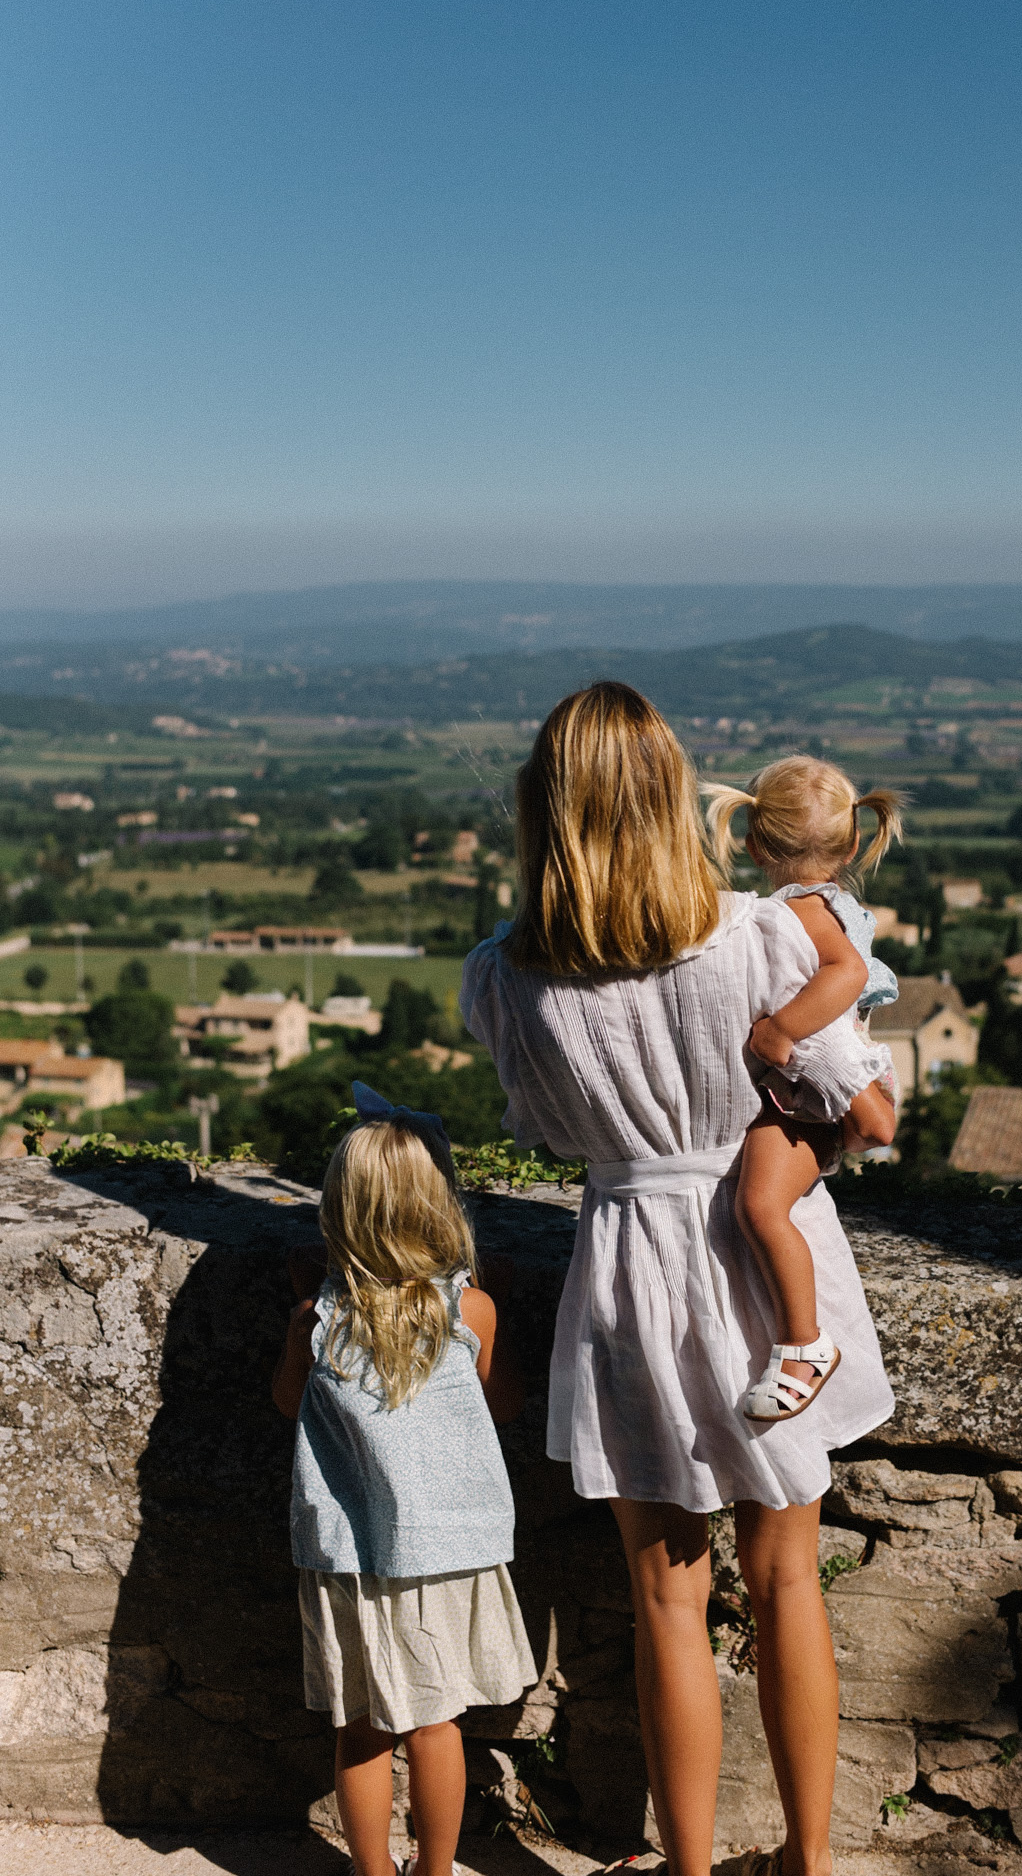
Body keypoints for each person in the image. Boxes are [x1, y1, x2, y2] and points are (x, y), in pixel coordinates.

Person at [460, 682, 897, 1876]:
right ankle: (810, 1863)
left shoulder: (509, 976)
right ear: (676, 801)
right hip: (761, 1261)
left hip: (629, 1267)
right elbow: (860, 1102)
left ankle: (690, 1868)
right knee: (786, 1580)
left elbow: (545, 1129)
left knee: (668, 1603)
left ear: (542, 814)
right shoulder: (762, 937)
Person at [272, 1091, 537, 1876]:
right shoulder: (470, 1312)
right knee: (437, 1725)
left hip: (350, 1555)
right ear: (440, 1208)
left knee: (361, 1727)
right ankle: (435, 1869)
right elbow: (509, 1401)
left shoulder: (316, 1321)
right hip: (447, 1549)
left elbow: (288, 1401)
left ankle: (372, 1870)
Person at [702, 758, 902, 1420]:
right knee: (757, 1206)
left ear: (754, 842)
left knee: (759, 1207)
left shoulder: (804, 910)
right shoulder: (825, 903)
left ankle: (803, 1345)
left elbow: (844, 973)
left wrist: (780, 1031)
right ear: (850, 843)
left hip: (810, 1093)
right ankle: (797, 1339)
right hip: (817, 1085)